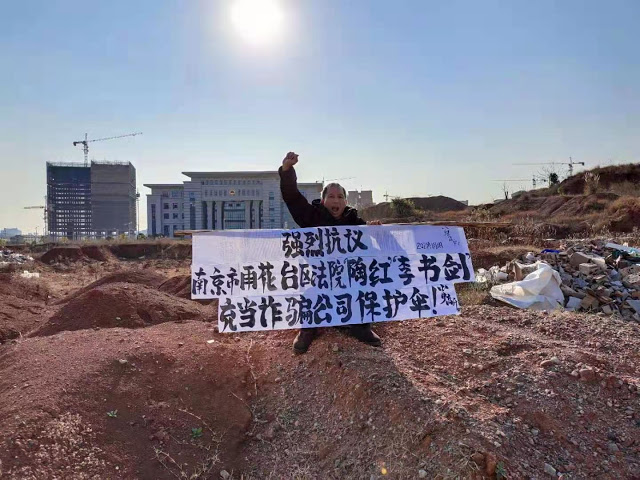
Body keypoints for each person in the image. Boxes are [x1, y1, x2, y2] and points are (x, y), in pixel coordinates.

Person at [279, 151, 382, 354]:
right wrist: (287, 170)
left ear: (345, 201)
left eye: (340, 197)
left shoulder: (354, 221)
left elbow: (370, 246)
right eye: (331, 196)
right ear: (324, 200)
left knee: (363, 289)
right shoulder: (311, 216)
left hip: (349, 277)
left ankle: (361, 327)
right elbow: (292, 197)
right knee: (311, 294)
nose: (336, 200)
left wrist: (375, 231)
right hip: (320, 276)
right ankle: (308, 329)